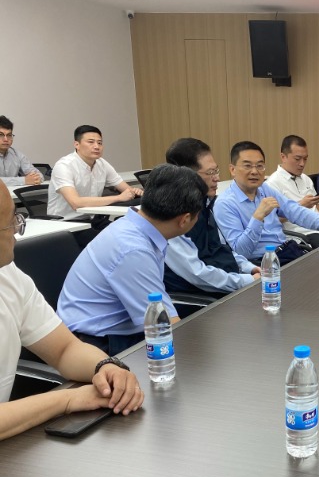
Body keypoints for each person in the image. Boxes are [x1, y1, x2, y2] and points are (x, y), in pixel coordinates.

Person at [0, 180, 143, 441]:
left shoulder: (9, 277)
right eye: (12, 223)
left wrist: (106, 366)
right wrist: (66, 399)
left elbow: (64, 349)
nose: (17, 232)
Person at [57, 164, 205, 355]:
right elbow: (166, 328)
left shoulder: (137, 226)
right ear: (184, 219)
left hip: (120, 329)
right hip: (97, 344)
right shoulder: (133, 249)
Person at [215, 141, 319, 266]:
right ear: (232, 170)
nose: (255, 171)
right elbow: (241, 251)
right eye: (247, 166)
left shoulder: (264, 189)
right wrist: (258, 217)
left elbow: (295, 211)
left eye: (260, 166)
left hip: (287, 250)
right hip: (264, 262)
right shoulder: (225, 204)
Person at [164, 137, 260, 296]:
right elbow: (197, 274)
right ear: (187, 175)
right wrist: (246, 280)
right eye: (210, 173)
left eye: (216, 170)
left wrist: (249, 268)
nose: (217, 178)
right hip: (202, 298)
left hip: (228, 284)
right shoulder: (172, 216)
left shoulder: (206, 203)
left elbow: (221, 247)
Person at [47, 125, 143, 221]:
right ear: (77, 144)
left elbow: (127, 190)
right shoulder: (64, 166)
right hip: (66, 222)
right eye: (91, 142)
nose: (97, 146)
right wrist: (119, 198)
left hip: (93, 218)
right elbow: (76, 203)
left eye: (99, 143)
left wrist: (135, 191)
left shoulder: (102, 163)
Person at [266, 135, 319, 249]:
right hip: (301, 235)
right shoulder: (272, 184)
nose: (302, 164)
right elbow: (272, 220)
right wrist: (301, 205)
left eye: (305, 159)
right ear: (283, 157)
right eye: (297, 159)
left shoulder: (306, 179)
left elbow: (318, 208)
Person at [0, 116, 44, 188]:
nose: (6, 139)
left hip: (12, 194)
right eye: (1, 135)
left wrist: (35, 178)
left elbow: (39, 176)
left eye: (9, 135)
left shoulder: (17, 155)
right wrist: (24, 180)